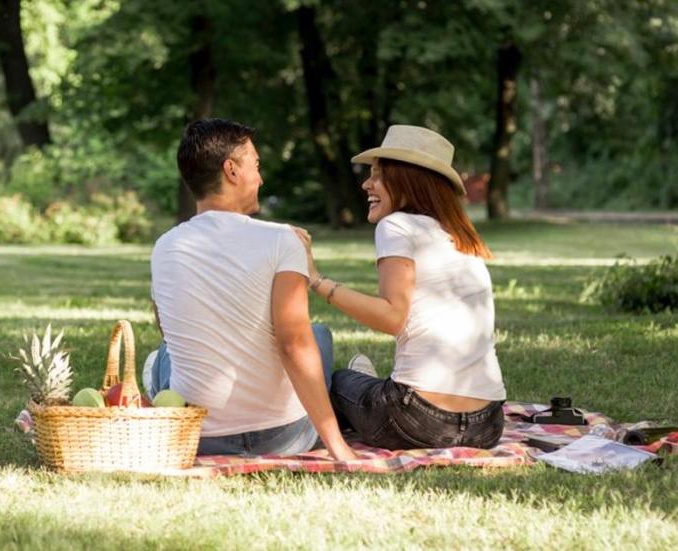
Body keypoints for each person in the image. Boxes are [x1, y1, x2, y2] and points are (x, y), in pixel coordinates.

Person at [146, 118, 356, 460]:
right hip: (282, 437)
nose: (261, 177)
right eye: (255, 165)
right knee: (317, 336)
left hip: (198, 436)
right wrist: (338, 446)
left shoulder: (165, 246)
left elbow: (168, 329)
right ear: (231, 170)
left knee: (167, 352)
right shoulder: (282, 240)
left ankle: (155, 373)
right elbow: (293, 345)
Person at [295, 124, 506, 450]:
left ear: (408, 179)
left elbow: (392, 317)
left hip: (418, 422)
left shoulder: (396, 225)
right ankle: (374, 386)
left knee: (339, 381)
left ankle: (367, 387)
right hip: (488, 425)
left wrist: (316, 279)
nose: (366, 184)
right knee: (362, 385)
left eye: (378, 175)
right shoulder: (459, 237)